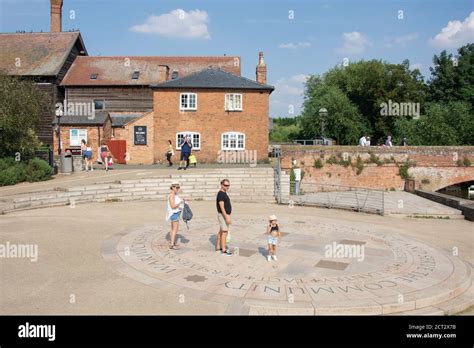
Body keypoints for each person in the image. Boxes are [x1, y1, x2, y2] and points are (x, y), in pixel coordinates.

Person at [216, 179, 232, 256]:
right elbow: (222, 207)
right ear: (222, 185)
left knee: (221, 231)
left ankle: (218, 246)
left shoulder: (224, 193)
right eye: (225, 185)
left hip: (224, 215)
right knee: (225, 231)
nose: (227, 187)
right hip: (223, 215)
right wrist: (226, 217)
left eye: (228, 185)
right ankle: (224, 250)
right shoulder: (221, 194)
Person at [166, 181, 184, 250]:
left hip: (175, 213)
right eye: (177, 187)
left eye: (178, 187)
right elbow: (173, 206)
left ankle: (172, 241)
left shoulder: (174, 195)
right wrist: (180, 202)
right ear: (172, 187)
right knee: (175, 229)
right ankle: (172, 244)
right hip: (174, 214)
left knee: (172, 229)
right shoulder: (172, 196)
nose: (178, 189)